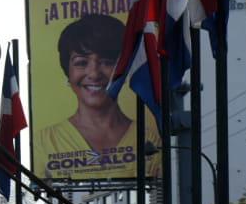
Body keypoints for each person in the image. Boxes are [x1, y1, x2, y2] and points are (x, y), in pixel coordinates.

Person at [36, 14, 160, 180]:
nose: (94, 74)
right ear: (67, 72)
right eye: (81, 63)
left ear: (123, 69)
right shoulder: (44, 143)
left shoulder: (150, 140)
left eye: (107, 62)